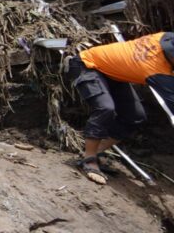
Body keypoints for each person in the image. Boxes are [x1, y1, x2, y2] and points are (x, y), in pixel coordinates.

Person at [66, 33, 174, 184]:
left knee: (135, 116)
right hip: (87, 65)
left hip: (114, 74)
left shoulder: (163, 37)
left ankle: (95, 152)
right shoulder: (156, 70)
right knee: (106, 108)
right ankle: (89, 159)